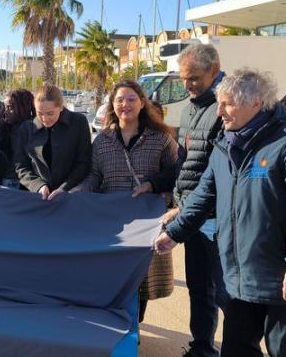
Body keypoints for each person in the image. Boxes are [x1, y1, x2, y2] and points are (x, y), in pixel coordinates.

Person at [156, 68, 286, 357]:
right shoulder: (225, 144)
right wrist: (174, 234)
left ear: (256, 103)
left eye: (228, 104)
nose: (220, 112)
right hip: (240, 278)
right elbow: (203, 197)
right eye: (219, 103)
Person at [72, 79, 179, 322]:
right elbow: (94, 177)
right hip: (113, 224)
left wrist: (159, 190)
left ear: (142, 104)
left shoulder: (161, 139)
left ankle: (134, 332)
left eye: (131, 99)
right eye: (120, 100)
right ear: (113, 105)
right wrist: (75, 193)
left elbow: (177, 173)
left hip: (147, 223)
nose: (125, 104)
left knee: (141, 281)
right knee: (113, 278)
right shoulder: (102, 141)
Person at [170, 44, 228, 357]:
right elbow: (185, 159)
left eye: (193, 78)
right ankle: (202, 347)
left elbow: (219, 171)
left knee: (227, 293)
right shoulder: (191, 105)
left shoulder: (225, 105)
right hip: (192, 214)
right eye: (183, 79)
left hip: (216, 217)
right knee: (198, 289)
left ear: (214, 69)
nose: (187, 84)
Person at [14, 84, 91, 200]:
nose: (44, 119)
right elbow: (21, 166)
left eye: (50, 113)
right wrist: (38, 186)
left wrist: (64, 188)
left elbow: (83, 162)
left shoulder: (79, 123)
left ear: (60, 107)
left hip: (70, 196)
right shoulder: (26, 129)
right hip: (36, 197)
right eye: (39, 113)